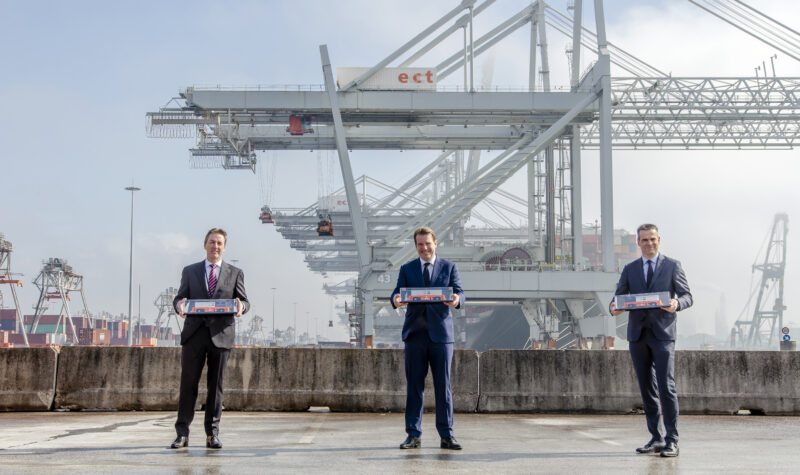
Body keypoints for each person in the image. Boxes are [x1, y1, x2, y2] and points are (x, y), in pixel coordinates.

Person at [610, 224, 692, 458]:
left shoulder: (672, 266)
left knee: (667, 387)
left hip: (663, 335)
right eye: (644, 240)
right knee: (647, 389)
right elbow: (618, 297)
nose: (649, 243)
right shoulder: (630, 269)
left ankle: (672, 440)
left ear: (659, 240)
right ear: (638, 243)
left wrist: (677, 304)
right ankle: (655, 438)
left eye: (652, 239)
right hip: (637, 336)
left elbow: (688, 296)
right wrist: (613, 308)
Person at [169, 228, 249, 450]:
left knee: (216, 388)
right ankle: (182, 434)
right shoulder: (190, 271)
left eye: (219, 243)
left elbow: (244, 301)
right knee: (188, 386)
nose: (215, 246)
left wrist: (242, 306)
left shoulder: (235, 273)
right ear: (205, 245)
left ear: (224, 247)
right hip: (194, 335)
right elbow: (179, 297)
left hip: (221, 336)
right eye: (212, 242)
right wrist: (179, 305)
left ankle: (212, 434)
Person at [390, 226, 464, 450]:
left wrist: (456, 299)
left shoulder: (450, 267)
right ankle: (413, 434)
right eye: (420, 245)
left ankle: (447, 435)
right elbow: (395, 293)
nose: (424, 248)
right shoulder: (407, 268)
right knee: (414, 387)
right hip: (415, 335)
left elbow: (461, 292)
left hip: (441, 336)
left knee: (444, 387)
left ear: (435, 243)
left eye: (427, 243)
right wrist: (395, 300)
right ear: (416, 247)